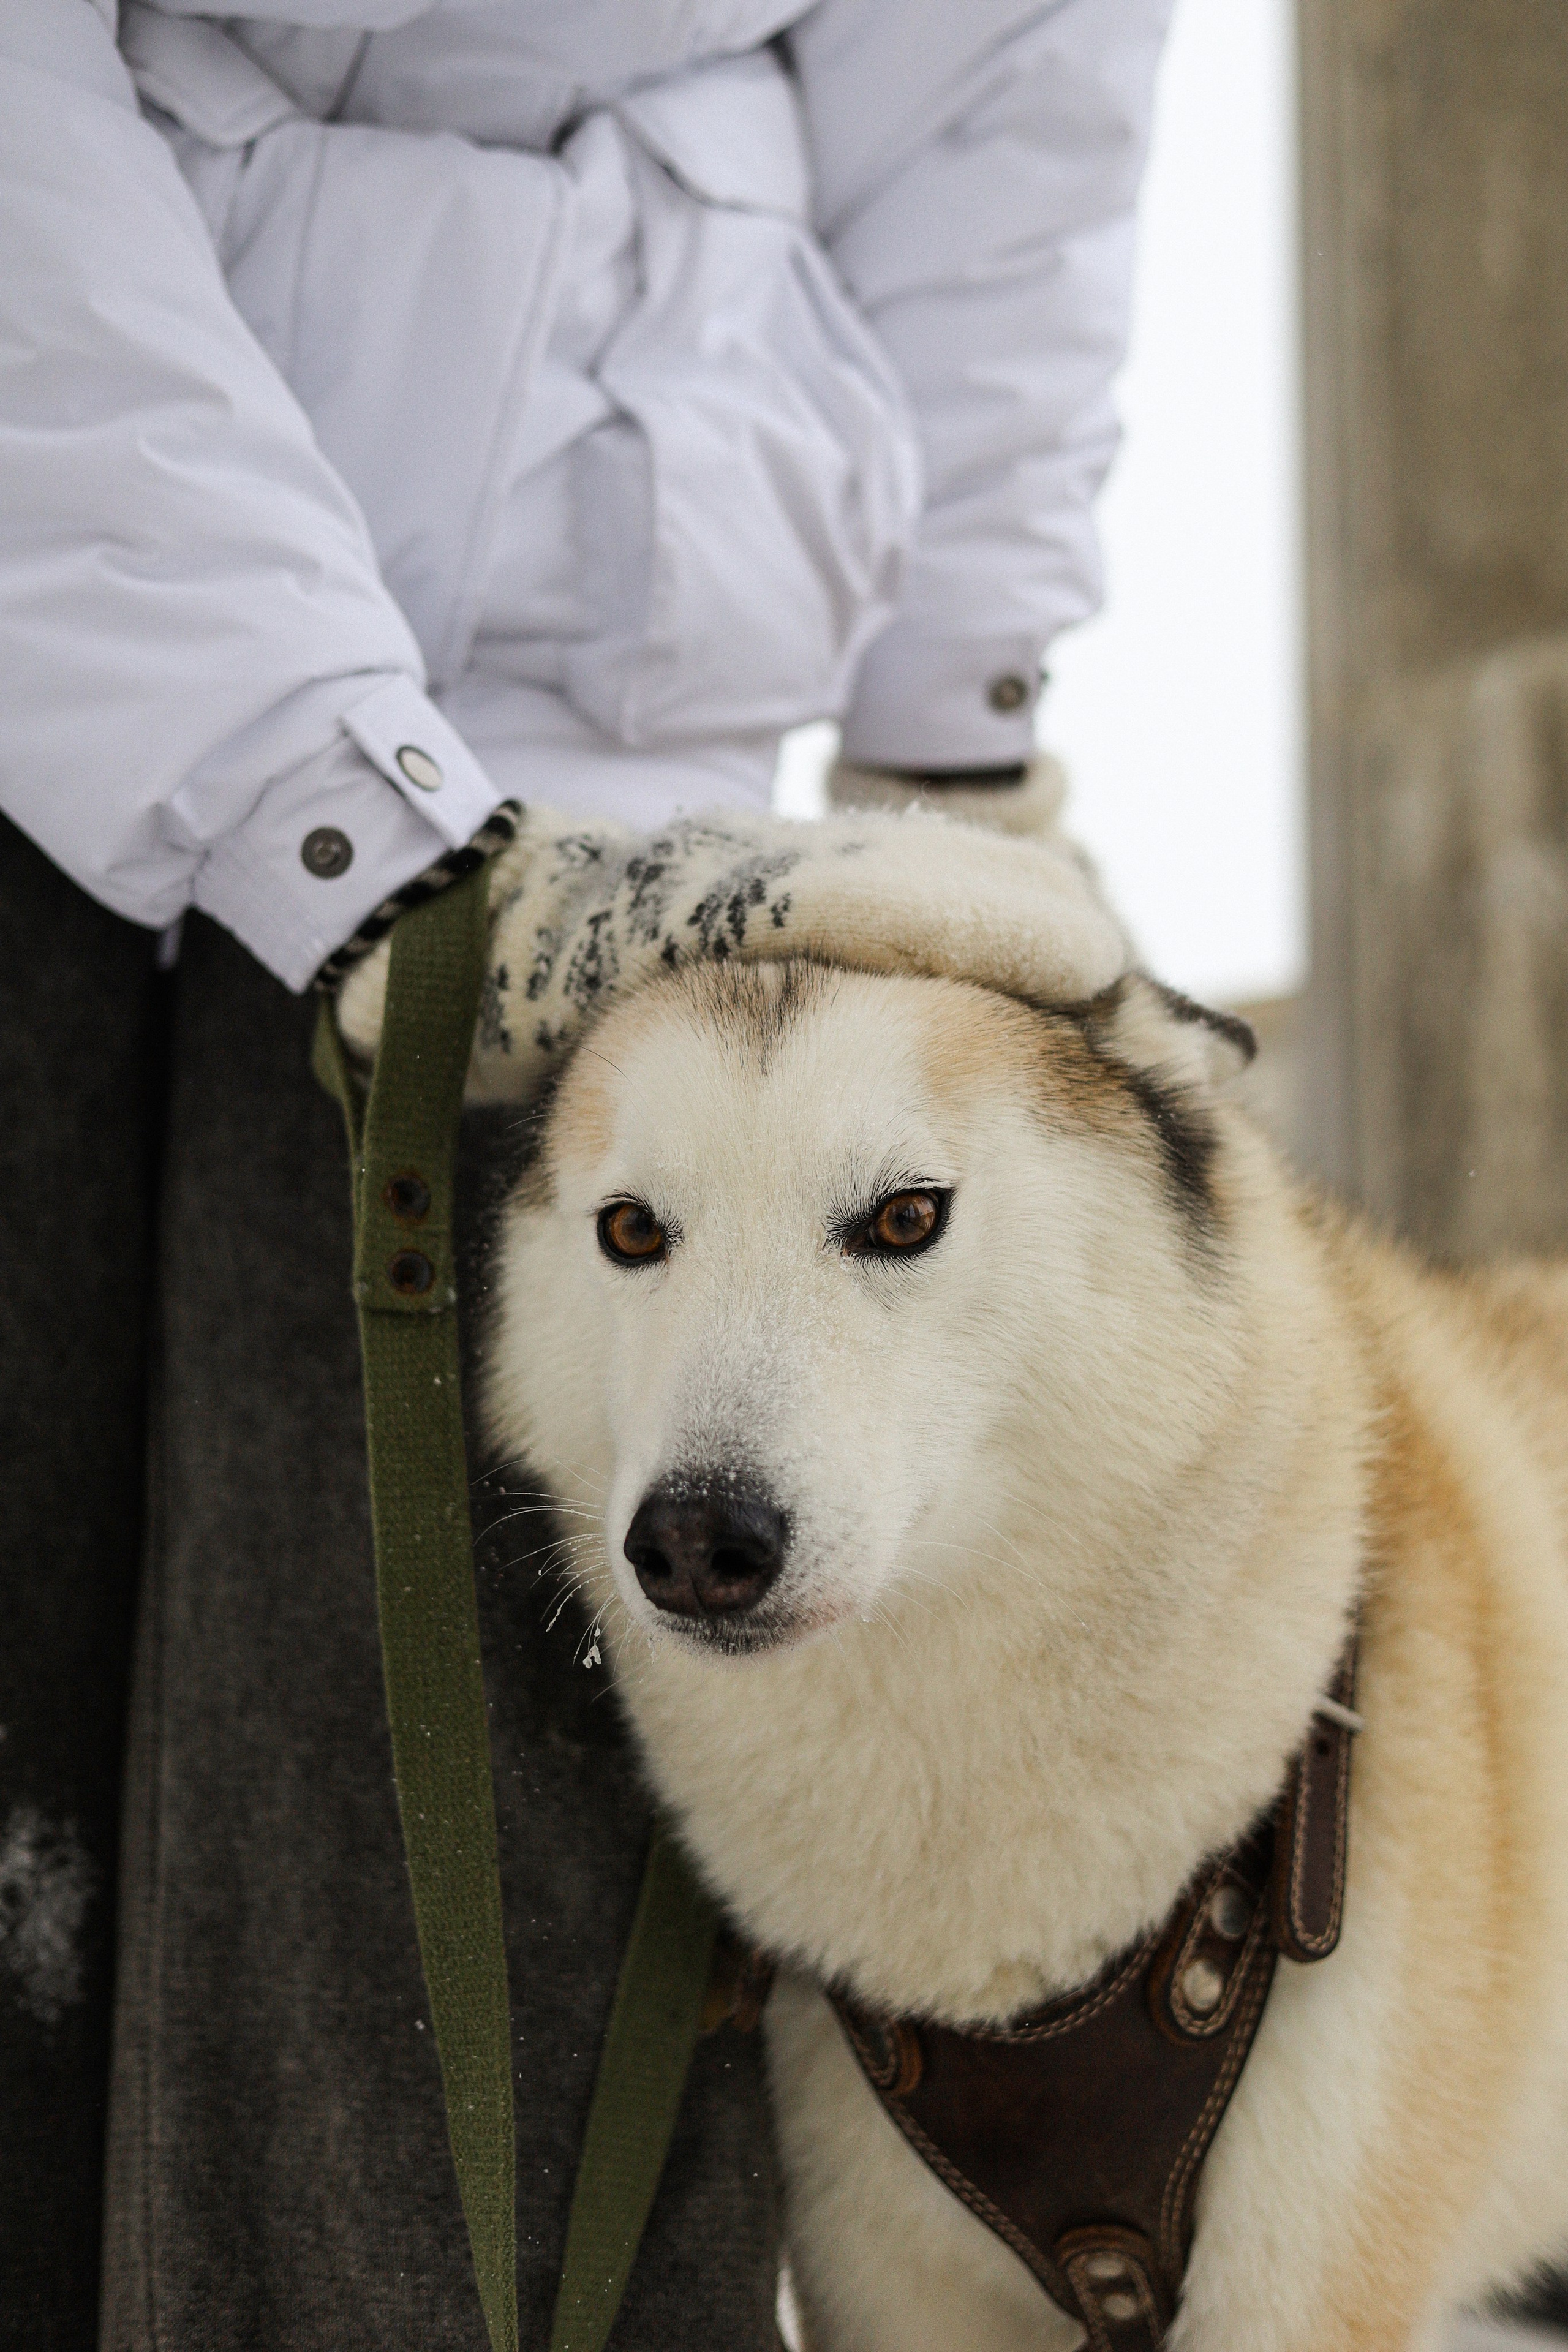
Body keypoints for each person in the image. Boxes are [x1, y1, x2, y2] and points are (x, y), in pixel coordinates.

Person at [0, 2, 1172, 2343]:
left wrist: (962, 741)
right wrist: (302, 780)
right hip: (85, 648)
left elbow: (1002, 63)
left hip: (640, 718)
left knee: (524, 1886)